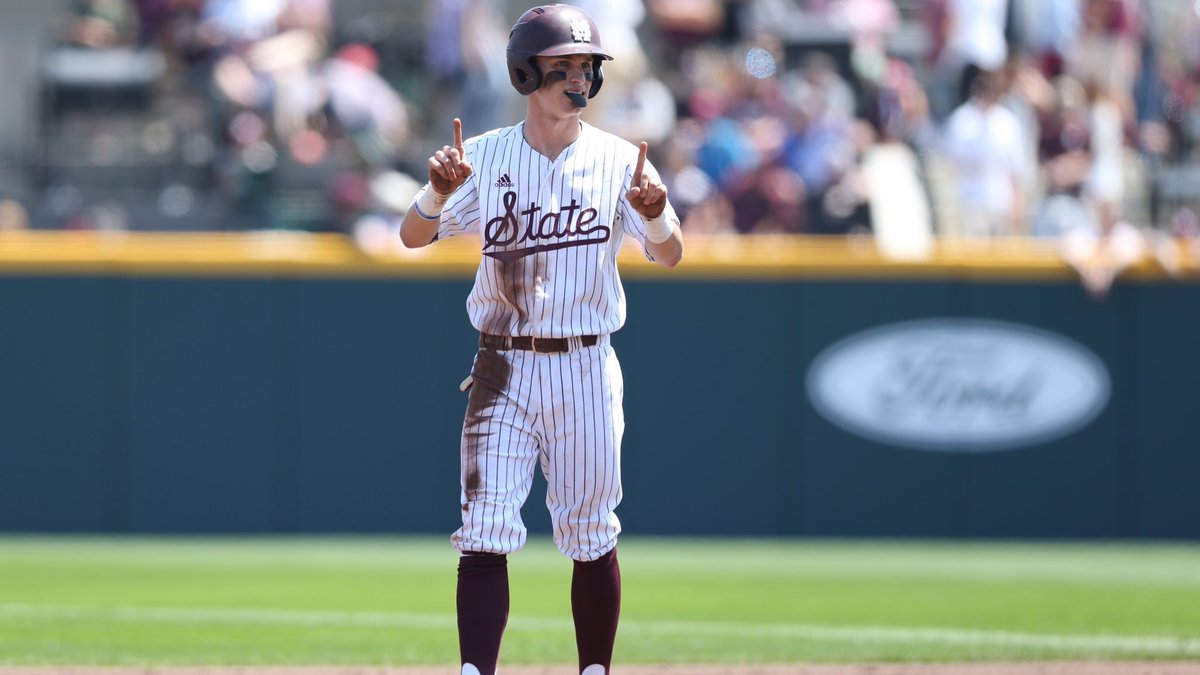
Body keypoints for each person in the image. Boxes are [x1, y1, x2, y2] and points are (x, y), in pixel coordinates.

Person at [397, 5, 684, 675]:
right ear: (526, 72)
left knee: (590, 530)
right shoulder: (483, 157)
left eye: (587, 66)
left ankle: (595, 670)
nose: (579, 78)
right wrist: (436, 195)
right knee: (485, 524)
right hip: (502, 367)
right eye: (564, 66)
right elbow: (411, 237)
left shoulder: (620, 161)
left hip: (585, 363)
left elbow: (670, 253)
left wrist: (655, 216)